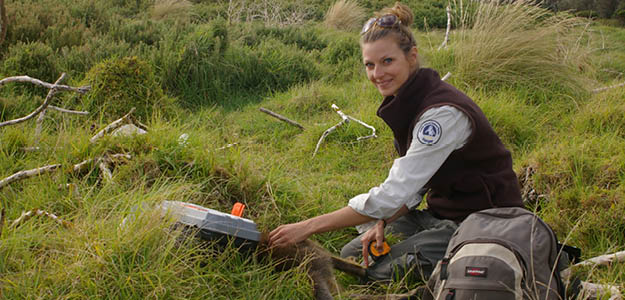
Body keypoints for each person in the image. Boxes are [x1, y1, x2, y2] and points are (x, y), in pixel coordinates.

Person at [269, 2, 523, 282]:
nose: (378, 74)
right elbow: (417, 186)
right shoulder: (410, 100)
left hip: (483, 221)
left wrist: (307, 227)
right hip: (441, 212)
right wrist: (384, 220)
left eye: (387, 61)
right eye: (370, 64)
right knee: (355, 251)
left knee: (377, 270)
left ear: (411, 57)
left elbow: (393, 192)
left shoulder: (440, 114)